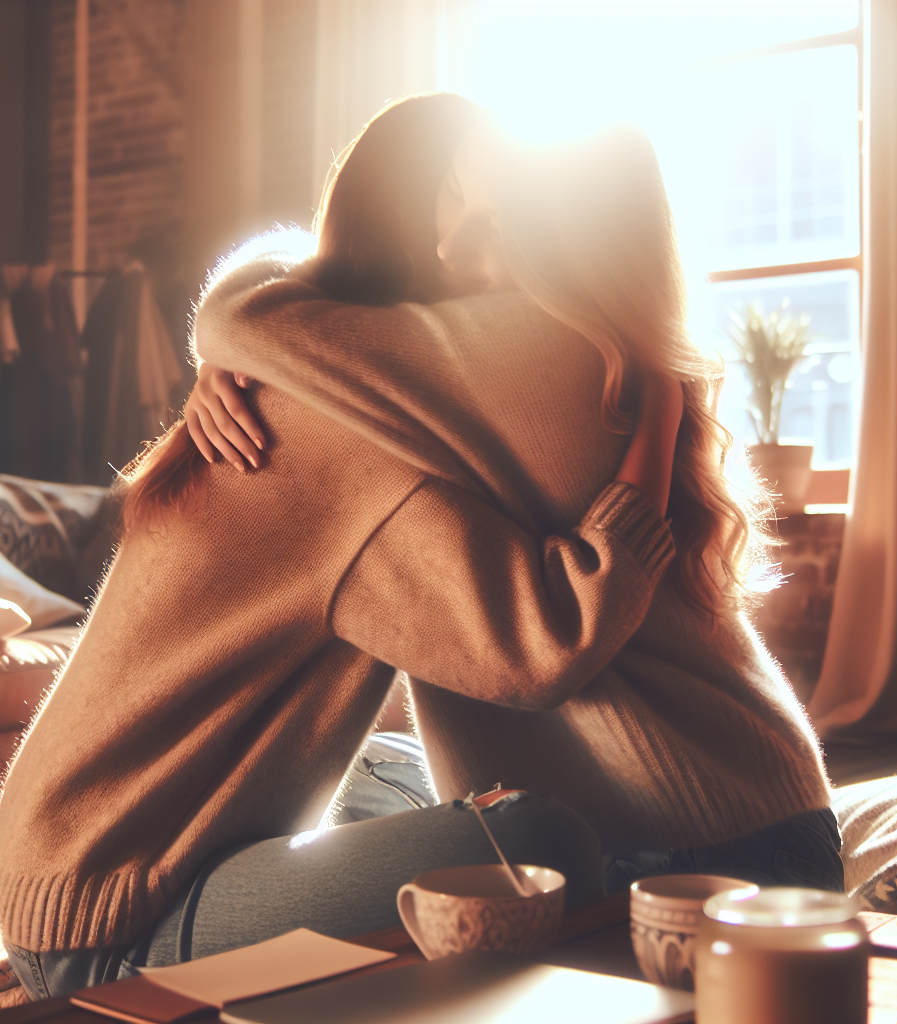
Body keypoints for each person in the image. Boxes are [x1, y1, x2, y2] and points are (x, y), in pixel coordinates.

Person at [0, 95, 681, 1001]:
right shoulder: (351, 442)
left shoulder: (298, 368)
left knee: (402, 771)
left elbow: (276, 269)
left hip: (71, 859)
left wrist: (232, 326)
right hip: (109, 921)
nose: (499, 255)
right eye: (476, 217)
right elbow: (542, 642)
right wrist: (655, 435)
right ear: (420, 231)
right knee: (541, 843)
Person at [191, 99, 839, 898]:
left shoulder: (535, 356)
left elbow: (252, 314)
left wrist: (236, 355)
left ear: (568, 247)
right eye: (458, 197)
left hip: (689, 843)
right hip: (767, 808)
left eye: (497, 222)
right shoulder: (615, 356)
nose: (450, 240)